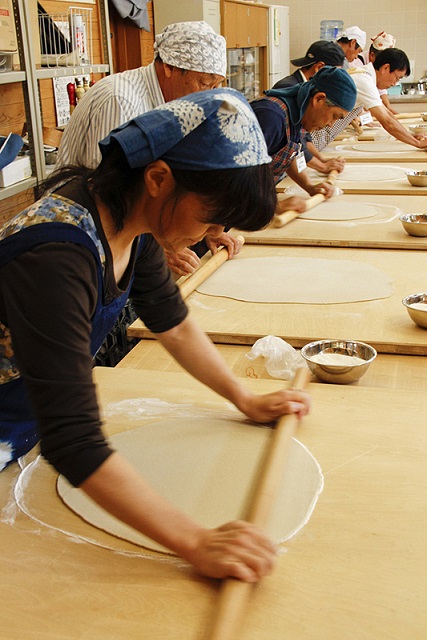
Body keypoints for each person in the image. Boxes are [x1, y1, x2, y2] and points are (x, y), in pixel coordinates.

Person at [0, 89, 311, 582]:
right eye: (208, 217)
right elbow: (74, 441)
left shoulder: (132, 223)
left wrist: (244, 399)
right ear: (159, 178)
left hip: (26, 426)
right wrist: (197, 541)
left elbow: (171, 319)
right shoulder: (56, 255)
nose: (210, 231)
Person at [251, 66, 357, 206]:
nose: (331, 124)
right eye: (334, 116)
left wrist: (310, 187)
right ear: (319, 99)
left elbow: (291, 155)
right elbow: (237, 175)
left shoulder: (299, 116)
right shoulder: (270, 117)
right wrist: (274, 207)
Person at [310, 49, 427, 152]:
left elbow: (387, 115)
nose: (394, 84)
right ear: (386, 68)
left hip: (319, 134)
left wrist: (411, 135)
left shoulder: (364, 76)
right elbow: (387, 121)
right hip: (314, 134)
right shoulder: (364, 80)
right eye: (397, 78)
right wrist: (417, 143)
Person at [272, 40, 347, 176]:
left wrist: (322, 160)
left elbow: (303, 138)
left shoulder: (307, 88)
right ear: (319, 67)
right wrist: (322, 166)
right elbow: (292, 145)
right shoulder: (289, 88)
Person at [350, 31, 398, 114]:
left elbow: (381, 89)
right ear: (372, 55)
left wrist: (388, 107)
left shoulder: (378, 69)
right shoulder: (356, 65)